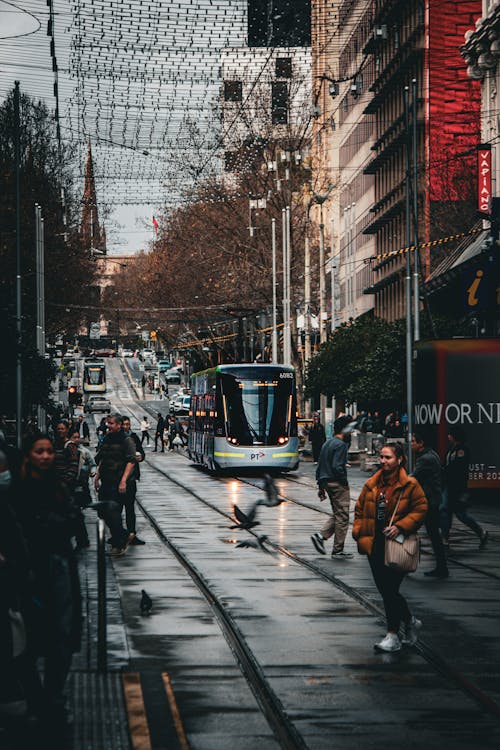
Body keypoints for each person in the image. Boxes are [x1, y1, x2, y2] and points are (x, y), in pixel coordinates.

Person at [14, 434, 81, 724]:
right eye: (39, 451)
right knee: (26, 640)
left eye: (49, 451)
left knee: (61, 638)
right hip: (27, 571)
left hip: (59, 568)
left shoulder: (59, 488)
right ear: (28, 455)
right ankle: (38, 698)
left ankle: (52, 696)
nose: (45, 456)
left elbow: (74, 522)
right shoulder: (17, 489)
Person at [352, 442, 427, 652]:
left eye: (388, 458)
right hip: (374, 545)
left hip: (397, 545)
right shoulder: (372, 484)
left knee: (390, 590)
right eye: (382, 457)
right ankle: (410, 621)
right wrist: (359, 533)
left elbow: (421, 509)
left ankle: (393, 635)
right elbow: (359, 510)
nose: (383, 461)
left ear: (399, 459)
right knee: (387, 591)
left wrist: (401, 527)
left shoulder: (410, 485)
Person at [94, 414, 137, 555]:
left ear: (119, 425)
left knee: (114, 512)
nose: (109, 426)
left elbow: (131, 461)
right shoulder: (106, 438)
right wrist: (97, 477)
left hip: (117, 481)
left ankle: (119, 543)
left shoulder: (126, 440)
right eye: (108, 423)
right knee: (103, 511)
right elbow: (102, 458)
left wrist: (124, 480)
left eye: (111, 423)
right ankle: (123, 536)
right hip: (106, 480)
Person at [311, 416, 353, 558]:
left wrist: (321, 487)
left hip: (326, 482)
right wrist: (344, 481)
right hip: (337, 483)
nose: (352, 431)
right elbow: (337, 466)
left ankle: (321, 536)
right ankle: (337, 550)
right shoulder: (340, 445)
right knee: (343, 517)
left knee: (338, 514)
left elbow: (320, 466)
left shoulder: (327, 443)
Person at [440, 425, 488, 550]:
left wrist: (445, 470)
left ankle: (480, 532)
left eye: (450, 434)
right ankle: (445, 537)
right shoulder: (451, 448)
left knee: (460, 514)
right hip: (448, 485)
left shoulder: (463, 450)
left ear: (455, 436)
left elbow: (458, 468)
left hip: (457, 486)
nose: (448, 436)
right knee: (445, 510)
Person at [411, 430, 449, 579]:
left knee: (411, 528)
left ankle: (401, 561)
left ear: (421, 443)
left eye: (413, 441)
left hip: (428, 501)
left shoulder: (425, 459)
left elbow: (413, 477)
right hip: (433, 499)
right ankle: (442, 567)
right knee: (433, 535)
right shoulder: (432, 454)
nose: (411, 444)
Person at [121, 417, 146, 545]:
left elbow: (142, 453)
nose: (126, 427)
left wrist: (140, 457)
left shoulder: (133, 437)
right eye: (124, 424)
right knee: (118, 508)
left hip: (131, 479)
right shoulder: (116, 438)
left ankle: (132, 534)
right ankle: (118, 534)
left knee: (130, 508)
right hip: (118, 478)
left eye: (128, 424)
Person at [68, 429, 96, 509]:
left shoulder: (84, 451)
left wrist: (92, 471)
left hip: (81, 481)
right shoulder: (66, 449)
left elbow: (93, 464)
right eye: (74, 437)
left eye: (78, 437)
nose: (76, 440)